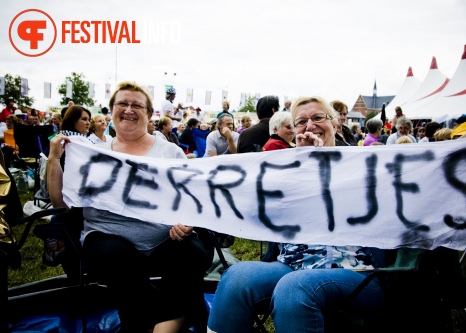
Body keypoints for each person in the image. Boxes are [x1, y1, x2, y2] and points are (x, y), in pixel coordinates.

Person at [207, 96, 387, 333]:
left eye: (318, 118)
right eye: (300, 122)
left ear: (335, 124)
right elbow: (253, 206)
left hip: (357, 272)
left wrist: (327, 165)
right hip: (293, 264)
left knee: (294, 288)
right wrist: (298, 168)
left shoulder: (364, 166)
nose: (310, 126)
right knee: (236, 278)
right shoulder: (285, 169)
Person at [47, 81, 208, 333]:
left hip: (164, 235)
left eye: (137, 105)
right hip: (107, 234)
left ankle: (161, 323)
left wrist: (187, 222)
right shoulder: (92, 153)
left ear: (148, 113)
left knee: (195, 252)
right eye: (122, 103)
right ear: (111, 110)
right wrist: (54, 159)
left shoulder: (170, 152)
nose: (129, 109)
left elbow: (192, 198)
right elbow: (62, 205)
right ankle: (173, 319)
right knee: (116, 259)